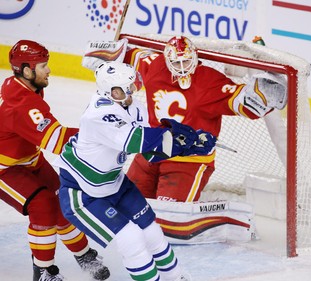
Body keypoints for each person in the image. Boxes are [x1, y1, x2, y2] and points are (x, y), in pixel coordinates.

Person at [53, 61, 215, 281]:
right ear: (111, 91)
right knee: (131, 238)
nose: (131, 92)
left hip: (115, 183)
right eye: (126, 88)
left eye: (131, 86)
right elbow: (137, 141)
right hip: (83, 192)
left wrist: (188, 145)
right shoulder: (98, 114)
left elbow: (150, 152)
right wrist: (178, 139)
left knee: (152, 232)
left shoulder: (134, 107)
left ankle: (176, 278)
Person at [82, 35, 287, 203]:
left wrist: (265, 85)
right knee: (126, 205)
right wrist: (106, 57)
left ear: (195, 57)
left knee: (168, 217)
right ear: (166, 59)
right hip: (151, 151)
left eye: (186, 61)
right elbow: (124, 55)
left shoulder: (210, 82)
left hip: (189, 160)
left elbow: (248, 105)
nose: (181, 68)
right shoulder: (154, 65)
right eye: (176, 62)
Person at [0, 40, 110, 281]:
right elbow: (58, 141)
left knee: (63, 200)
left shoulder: (28, 86)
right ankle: (44, 272)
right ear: (27, 71)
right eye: (43, 66)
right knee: (43, 206)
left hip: (30, 160)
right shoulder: (21, 103)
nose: (48, 70)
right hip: (5, 169)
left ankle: (83, 255)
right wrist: (102, 133)